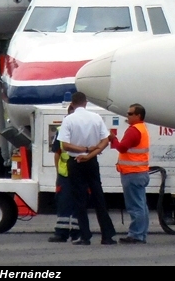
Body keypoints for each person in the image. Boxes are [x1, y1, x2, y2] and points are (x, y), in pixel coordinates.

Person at [56, 92, 116, 245]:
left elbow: (65, 145)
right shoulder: (96, 117)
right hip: (92, 162)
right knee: (98, 197)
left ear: (72, 103)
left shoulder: (68, 120)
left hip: (75, 161)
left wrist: (84, 150)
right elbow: (105, 140)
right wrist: (90, 153)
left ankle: (85, 235)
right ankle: (107, 235)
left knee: (79, 199)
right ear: (86, 102)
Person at [110, 103, 150, 244]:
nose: (127, 115)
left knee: (135, 207)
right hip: (140, 172)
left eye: (130, 113)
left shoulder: (134, 130)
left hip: (132, 173)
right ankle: (141, 234)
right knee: (141, 205)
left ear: (138, 116)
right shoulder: (142, 128)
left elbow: (122, 147)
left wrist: (112, 138)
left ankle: (136, 235)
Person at [48, 105, 79, 243]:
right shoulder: (62, 131)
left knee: (72, 203)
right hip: (68, 173)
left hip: (69, 173)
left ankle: (67, 232)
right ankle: (67, 232)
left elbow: (57, 154)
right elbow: (57, 153)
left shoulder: (63, 130)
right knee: (65, 203)